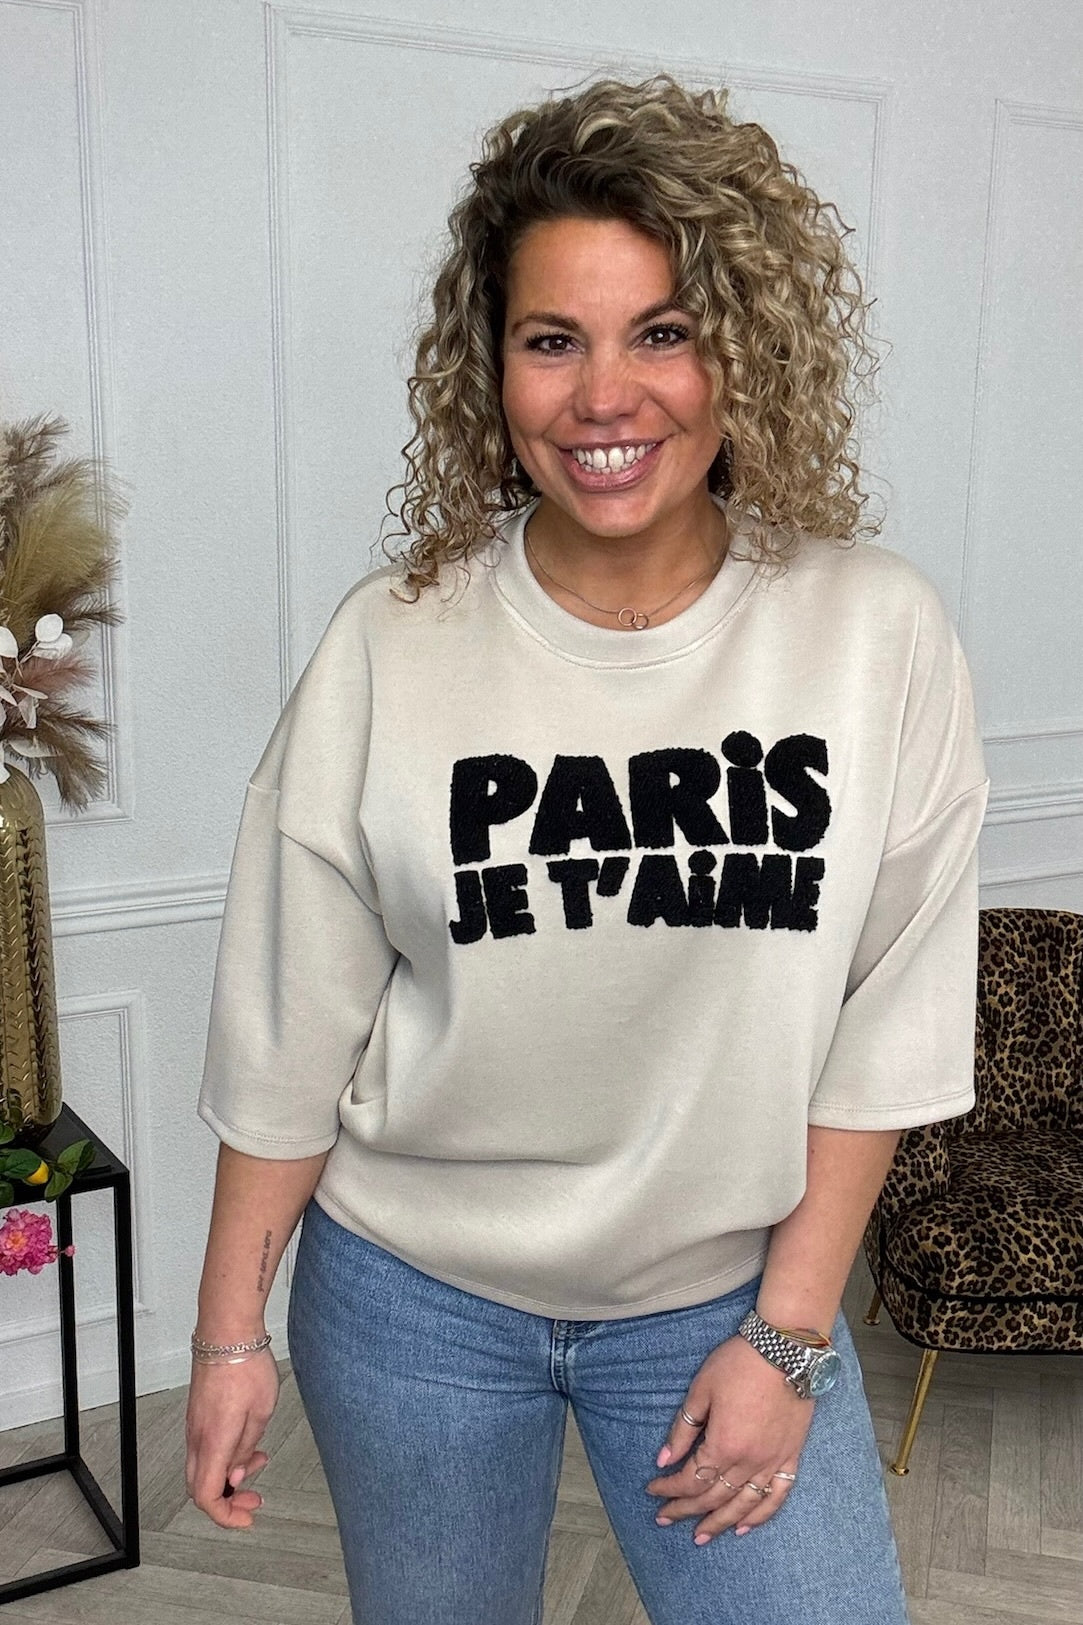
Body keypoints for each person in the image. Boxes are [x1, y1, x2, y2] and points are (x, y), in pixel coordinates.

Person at [186, 76, 987, 1625]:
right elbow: (290, 1030)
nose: (605, 397)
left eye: (661, 332)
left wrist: (788, 1338)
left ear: (742, 351)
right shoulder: (393, 643)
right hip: (413, 1304)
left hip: (722, 1300)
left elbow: (888, 1024)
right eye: (553, 340)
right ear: (492, 371)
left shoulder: (871, 631)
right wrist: (230, 1337)